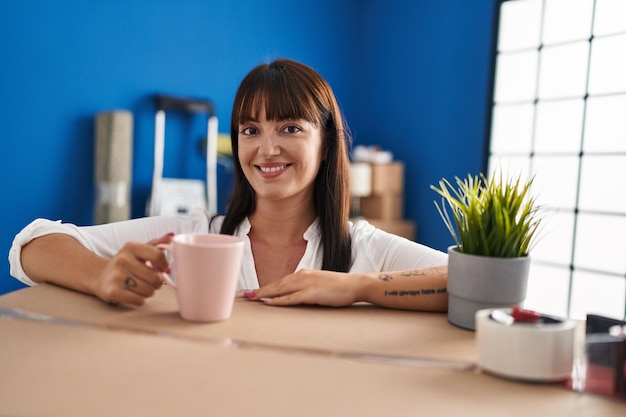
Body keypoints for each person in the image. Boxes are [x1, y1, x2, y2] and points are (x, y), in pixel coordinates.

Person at [8, 58, 448, 311]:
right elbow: (32, 245)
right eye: (251, 130)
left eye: (290, 128)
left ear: (327, 143)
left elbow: (473, 283)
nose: (267, 149)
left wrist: (358, 287)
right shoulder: (194, 235)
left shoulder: (363, 250)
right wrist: (102, 274)